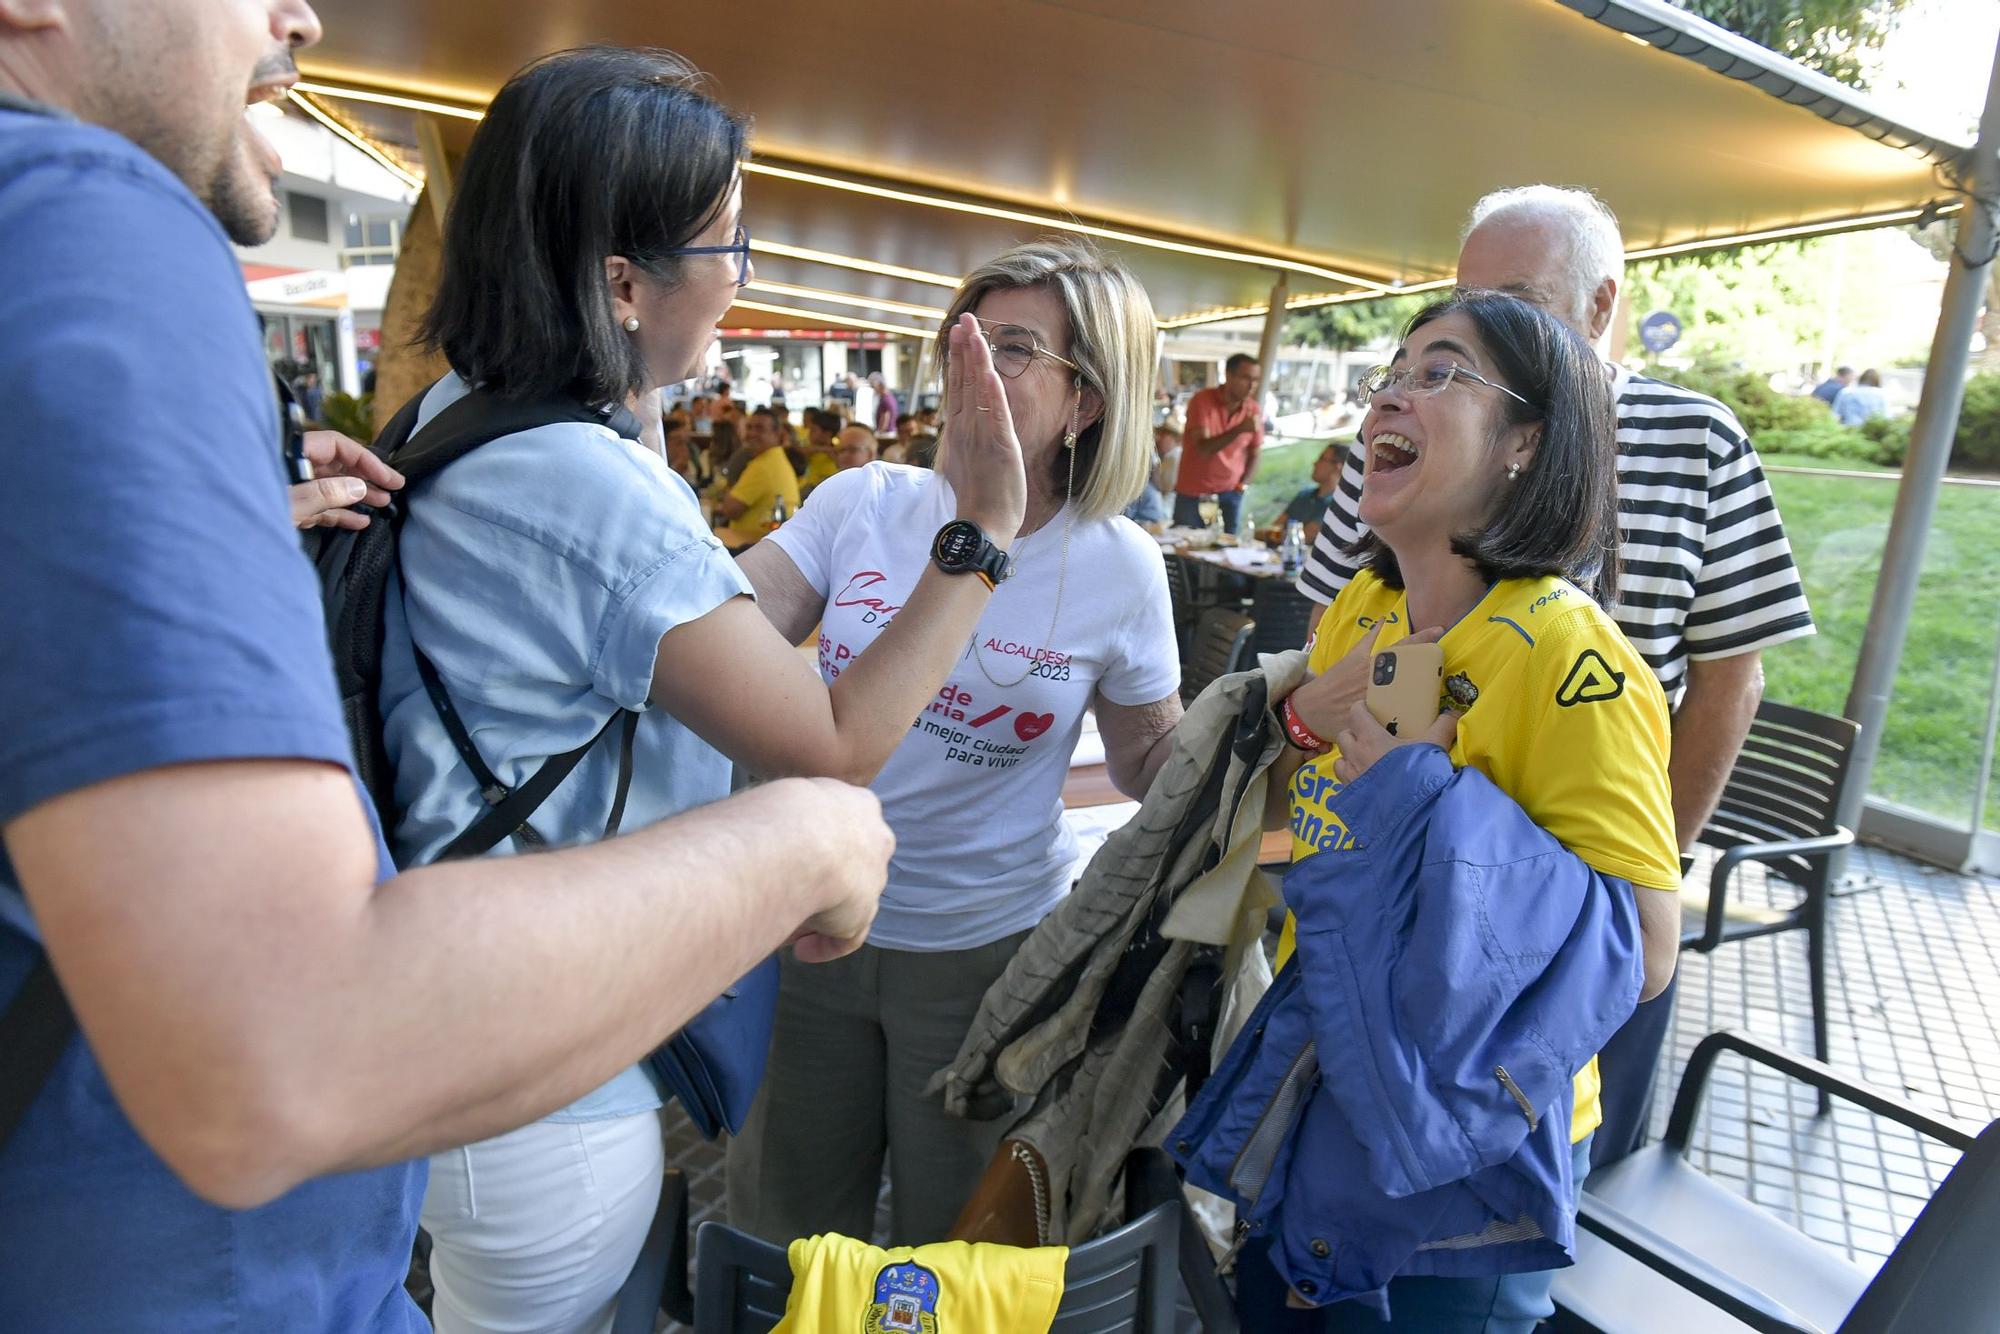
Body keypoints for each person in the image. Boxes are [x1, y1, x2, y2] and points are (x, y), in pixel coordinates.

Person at [0, 13, 893, 1334]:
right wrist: (805, 838)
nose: (295, 15)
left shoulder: (446, 414)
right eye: (729, 247)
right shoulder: (84, 221)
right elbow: (280, 1052)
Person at [387, 47, 1028, 1334]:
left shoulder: (464, 414)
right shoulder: (589, 489)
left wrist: (644, 388)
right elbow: (831, 740)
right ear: (623, 282)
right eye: (730, 245)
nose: (745, 280)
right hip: (544, 1084)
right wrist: (980, 530)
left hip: (449, 1011)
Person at [1296, 184, 1814, 1170]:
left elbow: (1725, 679)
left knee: (1538, 1161)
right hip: (1401, 898)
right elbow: (1349, 632)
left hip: (1578, 874)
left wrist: (1627, 884)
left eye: (1518, 302)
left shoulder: (1695, 440)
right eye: (1460, 303)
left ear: (1598, 304)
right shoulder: (1408, 453)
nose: (1479, 326)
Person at [727, 238, 1184, 1246]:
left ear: (1087, 401)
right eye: (964, 336)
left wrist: (1262, 729)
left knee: (956, 1240)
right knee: (785, 1218)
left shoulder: (1120, 565)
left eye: (1013, 346)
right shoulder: (865, 502)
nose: (971, 359)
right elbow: (723, 617)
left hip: (985, 954)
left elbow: (1150, 760)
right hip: (807, 925)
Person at [1242, 290, 1682, 1332]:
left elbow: (1648, 948)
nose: (1390, 392)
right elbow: (1296, 827)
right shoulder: (1365, 606)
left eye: (1438, 371)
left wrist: (1431, 802)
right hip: (1326, 1074)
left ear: (1525, 442)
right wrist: (1281, 842)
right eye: (1389, 372)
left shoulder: (1573, 659)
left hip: (1471, 1146)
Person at [1173, 352, 1263, 532]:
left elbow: (1255, 452)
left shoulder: (1252, 409)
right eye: (1246, 378)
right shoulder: (1202, 401)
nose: (1252, 385)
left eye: (1256, 379)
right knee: (1186, 551)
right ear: (1228, 375)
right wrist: (1238, 429)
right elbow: (1203, 448)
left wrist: (1242, 486)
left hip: (1230, 494)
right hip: (1193, 494)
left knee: (1225, 552)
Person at [717, 404, 802, 545]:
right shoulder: (775, 458)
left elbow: (730, 509)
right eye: (749, 427)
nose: (751, 434)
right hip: (769, 543)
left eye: (759, 428)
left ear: (777, 434)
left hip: (753, 546)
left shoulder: (764, 466)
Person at [1271, 442, 1340, 541]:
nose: (1315, 463)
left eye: (1321, 459)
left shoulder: (1337, 503)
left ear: (1337, 467)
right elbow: (1274, 527)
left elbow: (1305, 536)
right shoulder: (1304, 495)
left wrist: (1274, 535)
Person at [799, 406, 843, 489]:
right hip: (811, 486)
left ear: (827, 434)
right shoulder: (811, 447)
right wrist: (823, 449)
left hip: (830, 485)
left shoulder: (837, 446)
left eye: (813, 430)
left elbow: (841, 465)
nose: (809, 434)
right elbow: (801, 453)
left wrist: (833, 454)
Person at [870, 370, 900, 436]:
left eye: (873, 387)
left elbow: (885, 420)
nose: (873, 390)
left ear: (879, 385)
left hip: (886, 434)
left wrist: (879, 433)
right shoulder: (889, 397)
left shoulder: (886, 400)